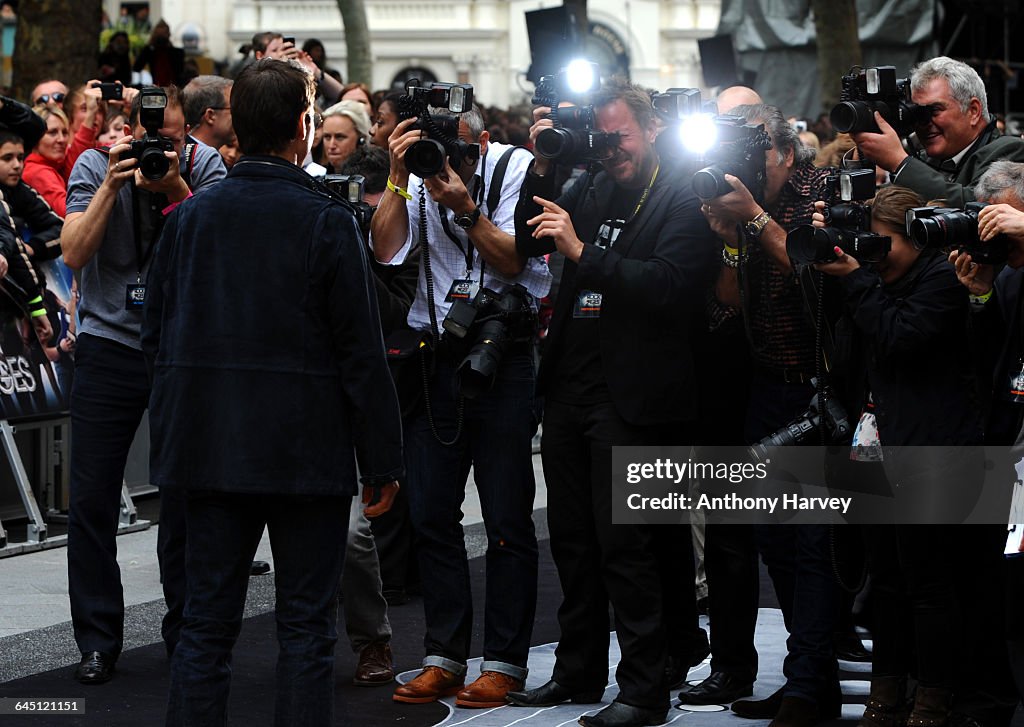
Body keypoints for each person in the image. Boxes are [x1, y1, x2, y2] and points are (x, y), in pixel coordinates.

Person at [142, 57, 403, 727]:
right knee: (305, 630)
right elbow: (362, 352)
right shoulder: (324, 221)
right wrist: (382, 459)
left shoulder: (189, 220)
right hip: (302, 452)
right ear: (302, 126)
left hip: (208, 449)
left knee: (204, 627)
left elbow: (155, 340)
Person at [508, 77, 717, 727]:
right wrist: (544, 166)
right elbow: (531, 237)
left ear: (653, 128)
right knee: (571, 539)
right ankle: (577, 671)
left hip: (638, 393)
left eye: (620, 135)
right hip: (573, 382)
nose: (611, 149)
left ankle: (645, 686)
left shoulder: (686, 193)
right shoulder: (594, 181)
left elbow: (673, 287)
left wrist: (584, 251)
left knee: (629, 545)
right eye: (602, 137)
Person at [371, 98, 550, 708]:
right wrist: (399, 178)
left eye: (454, 152)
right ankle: (444, 656)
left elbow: (513, 259)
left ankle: (504, 662)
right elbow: (387, 251)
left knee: (505, 519)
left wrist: (465, 207)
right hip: (437, 355)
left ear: (478, 144)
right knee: (431, 515)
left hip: (505, 355)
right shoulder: (416, 176)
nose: (442, 163)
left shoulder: (517, 169)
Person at [60, 84, 226, 685]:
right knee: (91, 499)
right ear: (129, 130)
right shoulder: (93, 164)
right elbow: (74, 254)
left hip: (180, 347)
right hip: (108, 345)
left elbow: (218, 252)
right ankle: (97, 641)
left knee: (181, 495)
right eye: (154, 136)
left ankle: (183, 633)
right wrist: (112, 182)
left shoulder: (204, 166)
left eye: (176, 138)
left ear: (190, 134)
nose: (165, 147)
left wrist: (176, 186)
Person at [685, 103, 841, 727]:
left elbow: (821, 279)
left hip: (821, 394)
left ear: (781, 153)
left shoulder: (821, 192)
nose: (741, 172)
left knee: (814, 547)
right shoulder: (741, 203)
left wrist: (754, 218)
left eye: (752, 160)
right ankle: (810, 679)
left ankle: (808, 686)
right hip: (765, 389)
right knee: (775, 540)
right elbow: (726, 305)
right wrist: (729, 245)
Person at [813, 184, 986, 727]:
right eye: (869, 243)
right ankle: (887, 691)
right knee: (882, 579)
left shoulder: (941, 280)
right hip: (873, 441)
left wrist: (859, 283)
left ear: (915, 239)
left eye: (883, 244)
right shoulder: (872, 279)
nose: (872, 255)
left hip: (930, 447)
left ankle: (934, 696)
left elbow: (899, 337)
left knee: (927, 580)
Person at [852, 56, 1024, 206]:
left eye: (934, 110)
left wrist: (900, 163)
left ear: (973, 111)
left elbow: (977, 206)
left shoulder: (1011, 150)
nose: (923, 122)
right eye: (917, 112)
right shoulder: (924, 158)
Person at [182, 76, 234, 152]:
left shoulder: (183, 151)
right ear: (210, 116)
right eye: (233, 109)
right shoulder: (207, 159)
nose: (239, 114)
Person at [320, 99, 370, 174]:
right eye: (327, 137)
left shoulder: (376, 179)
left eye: (339, 137)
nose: (331, 145)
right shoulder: (316, 177)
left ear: (361, 138)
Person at [133, 20, 185, 87]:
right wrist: (150, 45)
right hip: (157, 88)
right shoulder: (150, 52)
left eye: (163, 34)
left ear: (169, 35)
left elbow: (180, 71)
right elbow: (137, 67)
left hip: (174, 88)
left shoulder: (177, 53)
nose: (161, 38)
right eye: (159, 35)